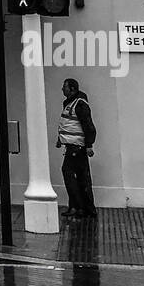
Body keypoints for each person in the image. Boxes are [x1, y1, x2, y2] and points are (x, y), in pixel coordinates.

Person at [56, 78, 97, 220]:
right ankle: (80, 208)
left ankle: (78, 207)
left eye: (64, 87)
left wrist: (89, 145)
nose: (62, 89)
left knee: (69, 172)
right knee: (80, 177)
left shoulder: (79, 104)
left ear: (72, 89)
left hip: (77, 148)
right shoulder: (71, 103)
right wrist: (60, 140)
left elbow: (88, 125)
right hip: (73, 146)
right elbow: (68, 124)